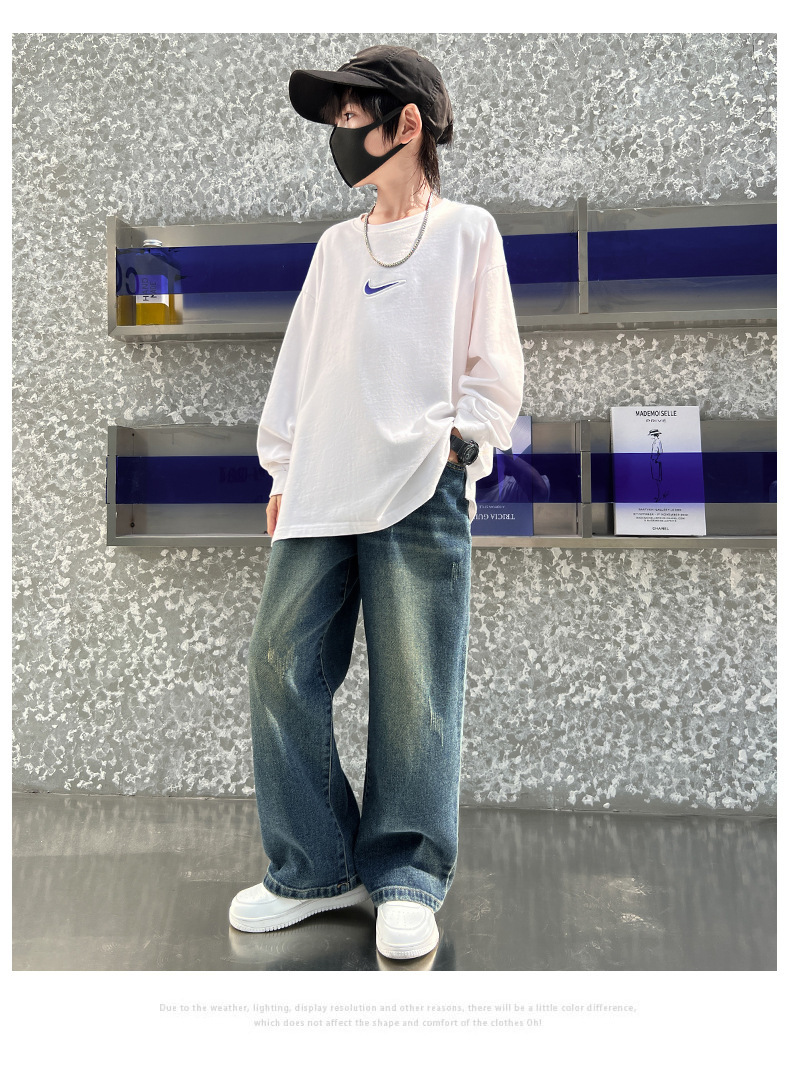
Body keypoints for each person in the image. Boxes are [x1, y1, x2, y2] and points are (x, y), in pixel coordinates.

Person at [229, 44, 524, 961]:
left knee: (415, 687)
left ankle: (405, 875)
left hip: (419, 485)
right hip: (322, 485)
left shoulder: (468, 232)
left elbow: (494, 372)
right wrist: (283, 471)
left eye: (352, 114)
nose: (339, 131)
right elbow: (301, 368)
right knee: (279, 662)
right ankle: (315, 867)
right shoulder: (335, 247)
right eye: (335, 118)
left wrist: (457, 449)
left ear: (408, 124)